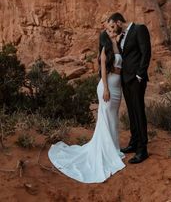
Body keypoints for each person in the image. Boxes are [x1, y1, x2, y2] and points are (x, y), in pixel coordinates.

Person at [48, 27, 125, 183]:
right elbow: (103, 70)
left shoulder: (116, 46)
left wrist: (119, 37)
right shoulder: (105, 49)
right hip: (107, 87)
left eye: (113, 30)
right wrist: (106, 89)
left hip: (117, 88)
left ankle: (114, 149)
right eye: (109, 32)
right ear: (105, 37)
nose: (113, 32)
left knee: (113, 119)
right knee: (106, 118)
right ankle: (108, 151)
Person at [107, 12, 151, 164]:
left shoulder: (139, 29)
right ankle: (134, 143)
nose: (113, 28)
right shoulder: (123, 36)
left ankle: (142, 149)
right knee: (132, 112)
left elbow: (146, 52)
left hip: (136, 79)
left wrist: (140, 74)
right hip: (125, 80)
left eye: (113, 25)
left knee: (138, 112)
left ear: (119, 22)